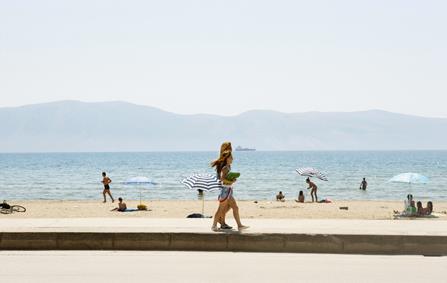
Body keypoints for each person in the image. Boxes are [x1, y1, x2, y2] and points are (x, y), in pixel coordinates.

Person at [211, 142, 248, 231]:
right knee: (221, 209)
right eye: (231, 158)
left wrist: (232, 180)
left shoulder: (228, 166)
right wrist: (231, 181)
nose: (233, 159)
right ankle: (214, 225)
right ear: (226, 158)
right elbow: (222, 179)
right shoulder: (224, 168)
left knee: (234, 207)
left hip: (228, 190)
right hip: (225, 191)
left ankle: (239, 225)